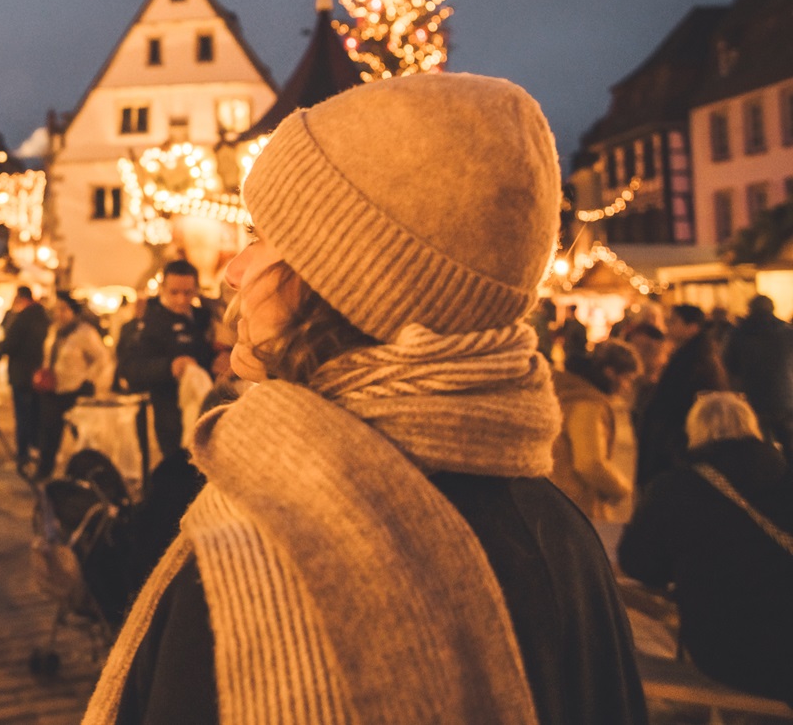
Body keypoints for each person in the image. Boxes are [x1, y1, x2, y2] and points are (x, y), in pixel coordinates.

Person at [87, 74, 645, 725]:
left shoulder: (266, 566)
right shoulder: (559, 528)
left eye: (264, 237)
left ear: (345, 282)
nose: (235, 271)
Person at [619, 392, 793, 705]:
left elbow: (637, 563)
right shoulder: (785, 476)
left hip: (729, 651)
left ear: (694, 432)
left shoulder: (673, 487)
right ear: (753, 428)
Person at [115, 260, 215, 463]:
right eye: (174, 292)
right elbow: (130, 369)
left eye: (188, 293)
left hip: (207, 412)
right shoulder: (147, 323)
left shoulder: (205, 318)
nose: (181, 299)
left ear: (196, 290)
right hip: (168, 418)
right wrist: (169, 367)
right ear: (162, 289)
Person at [549, 339, 642, 522]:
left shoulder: (572, 390)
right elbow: (589, 463)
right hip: (575, 503)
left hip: (558, 495)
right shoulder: (587, 403)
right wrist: (621, 489)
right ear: (610, 372)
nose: (626, 387)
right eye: (626, 379)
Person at [638, 303, 728, 487]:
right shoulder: (691, 353)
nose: (667, 326)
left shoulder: (696, 359)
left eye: (673, 322)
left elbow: (678, 399)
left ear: (691, 327)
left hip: (680, 441)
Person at [35, 293, 111, 480]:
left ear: (74, 312)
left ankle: (92, 475)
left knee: (83, 436)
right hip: (54, 390)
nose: (59, 314)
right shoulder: (54, 331)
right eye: (57, 309)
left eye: (64, 309)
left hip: (76, 391)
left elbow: (103, 359)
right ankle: (44, 472)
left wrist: (88, 379)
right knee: (50, 433)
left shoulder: (84, 332)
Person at [725, 294, 793, 457]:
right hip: (785, 398)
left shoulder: (737, 334)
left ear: (750, 309)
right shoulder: (787, 332)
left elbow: (730, 365)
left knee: (762, 446)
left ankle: (770, 475)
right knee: (789, 442)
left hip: (752, 398)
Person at [0, 286, 49, 470]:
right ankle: (36, 448)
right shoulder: (44, 317)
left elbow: (9, 344)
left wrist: (0, 345)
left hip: (21, 374)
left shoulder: (22, 318)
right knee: (36, 414)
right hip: (39, 375)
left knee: (23, 416)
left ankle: (22, 454)